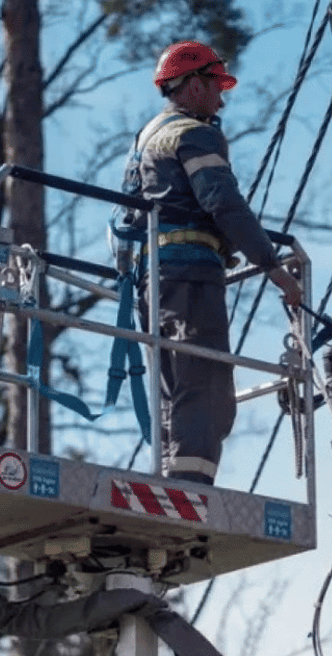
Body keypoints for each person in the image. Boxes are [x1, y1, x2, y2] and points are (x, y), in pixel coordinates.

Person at [119, 40, 302, 485]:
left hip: (153, 281)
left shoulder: (145, 140)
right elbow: (222, 201)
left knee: (174, 386)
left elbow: (126, 218)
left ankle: (171, 478)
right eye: (217, 85)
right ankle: (191, 491)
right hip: (192, 277)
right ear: (195, 85)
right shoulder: (194, 133)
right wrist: (272, 267)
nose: (221, 98)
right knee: (206, 384)